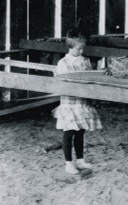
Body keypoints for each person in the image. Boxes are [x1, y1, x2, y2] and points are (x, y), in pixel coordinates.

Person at [53, 29, 102, 175]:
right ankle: (69, 163)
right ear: (70, 46)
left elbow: (90, 80)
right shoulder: (63, 63)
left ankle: (80, 160)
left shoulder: (85, 61)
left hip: (82, 102)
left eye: (82, 48)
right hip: (69, 102)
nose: (80, 51)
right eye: (78, 48)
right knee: (69, 133)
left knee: (80, 132)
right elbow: (60, 83)